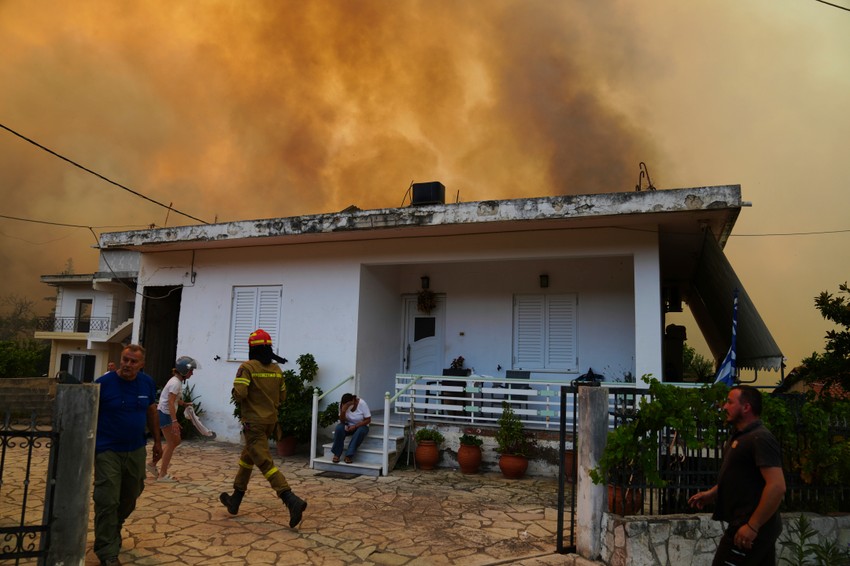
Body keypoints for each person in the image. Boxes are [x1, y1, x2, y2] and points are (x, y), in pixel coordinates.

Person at [688, 385, 786, 565]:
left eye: (730, 402)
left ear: (746, 407)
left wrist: (752, 526)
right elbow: (741, 477)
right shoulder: (741, 437)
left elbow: (777, 486)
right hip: (751, 527)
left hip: (748, 528)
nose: (724, 407)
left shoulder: (760, 438)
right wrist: (713, 493)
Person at [219, 329, 307, 528]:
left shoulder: (247, 367)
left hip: (253, 424)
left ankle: (290, 499)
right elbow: (282, 397)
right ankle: (235, 499)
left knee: (265, 463)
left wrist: (236, 390)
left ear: (252, 349)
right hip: (270, 423)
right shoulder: (276, 369)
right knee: (247, 458)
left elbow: (239, 393)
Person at [93, 344, 162, 566]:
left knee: (132, 494)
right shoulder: (104, 384)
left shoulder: (147, 383)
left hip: (135, 448)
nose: (127, 365)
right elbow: (90, 413)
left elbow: (151, 411)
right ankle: (107, 552)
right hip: (107, 449)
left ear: (141, 365)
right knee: (107, 498)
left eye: (133, 362)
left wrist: (158, 442)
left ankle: (113, 528)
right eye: (125, 360)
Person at [146, 356, 199, 482]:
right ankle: (162, 474)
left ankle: (152, 465)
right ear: (184, 371)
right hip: (165, 414)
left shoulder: (176, 381)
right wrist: (174, 421)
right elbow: (170, 402)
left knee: (175, 441)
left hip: (165, 414)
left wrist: (183, 404)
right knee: (172, 442)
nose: (192, 373)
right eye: (191, 370)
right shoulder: (176, 383)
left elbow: (173, 400)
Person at [331, 393, 371, 464]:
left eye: (349, 404)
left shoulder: (362, 403)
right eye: (346, 405)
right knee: (339, 428)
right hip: (348, 425)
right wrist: (343, 411)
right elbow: (342, 421)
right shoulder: (342, 405)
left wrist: (355, 426)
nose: (348, 406)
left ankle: (349, 455)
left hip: (361, 425)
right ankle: (337, 454)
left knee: (360, 431)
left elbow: (368, 420)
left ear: (353, 400)